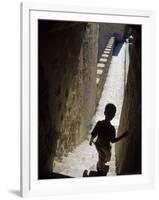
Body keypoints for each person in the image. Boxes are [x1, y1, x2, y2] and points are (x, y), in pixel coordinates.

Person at [89, 103, 128, 175]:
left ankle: (100, 166)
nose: (111, 115)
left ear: (104, 113)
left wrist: (91, 139)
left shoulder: (102, 125)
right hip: (102, 146)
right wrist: (123, 135)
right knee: (103, 158)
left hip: (103, 146)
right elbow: (113, 140)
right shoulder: (110, 128)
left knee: (106, 158)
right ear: (113, 116)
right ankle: (100, 169)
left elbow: (95, 133)